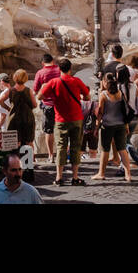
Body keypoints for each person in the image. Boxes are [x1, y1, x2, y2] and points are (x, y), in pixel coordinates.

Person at [36, 58, 89, 187]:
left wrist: (49, 92)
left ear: (59, 69)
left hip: (61, 120)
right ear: (70, 69)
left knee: (61, 148)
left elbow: (39, 96)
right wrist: (79, 96)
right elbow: (87, 97)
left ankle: (59, 177)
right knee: (76, 148)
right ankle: (75, 177)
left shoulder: (54, 82)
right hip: (76, 119)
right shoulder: (76, 81)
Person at [94, 72, 133, 183]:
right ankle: (128, 175)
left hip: (107, 125)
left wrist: (96, 127)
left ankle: (101, 173)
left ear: (105, 82)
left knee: (105, 150)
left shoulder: (103, 95)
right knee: (122, 150)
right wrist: (126, 125)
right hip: (120, 124)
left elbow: (100, 113)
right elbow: (124, 110)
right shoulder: (120, 93)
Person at [33, 53, 61, 165]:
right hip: (60, 105)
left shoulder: (40, 73)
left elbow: (35, 89)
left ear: (42, 63)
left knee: (49, 131)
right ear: (53, 61)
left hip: (48, 105)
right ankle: (62, 154)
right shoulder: (59, 70)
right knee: (62, 129)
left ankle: (50, 155)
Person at [3, 69, 36, 152]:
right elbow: (35, 104)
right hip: (27, 118)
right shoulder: (29, 90)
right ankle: (29, 159)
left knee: (16, 141)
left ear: (15, 77)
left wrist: (8, 108)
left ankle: (16, 158)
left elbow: (0, 100)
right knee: (29, 142)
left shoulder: (10, 90)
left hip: (14, 118)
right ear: (25, 78)